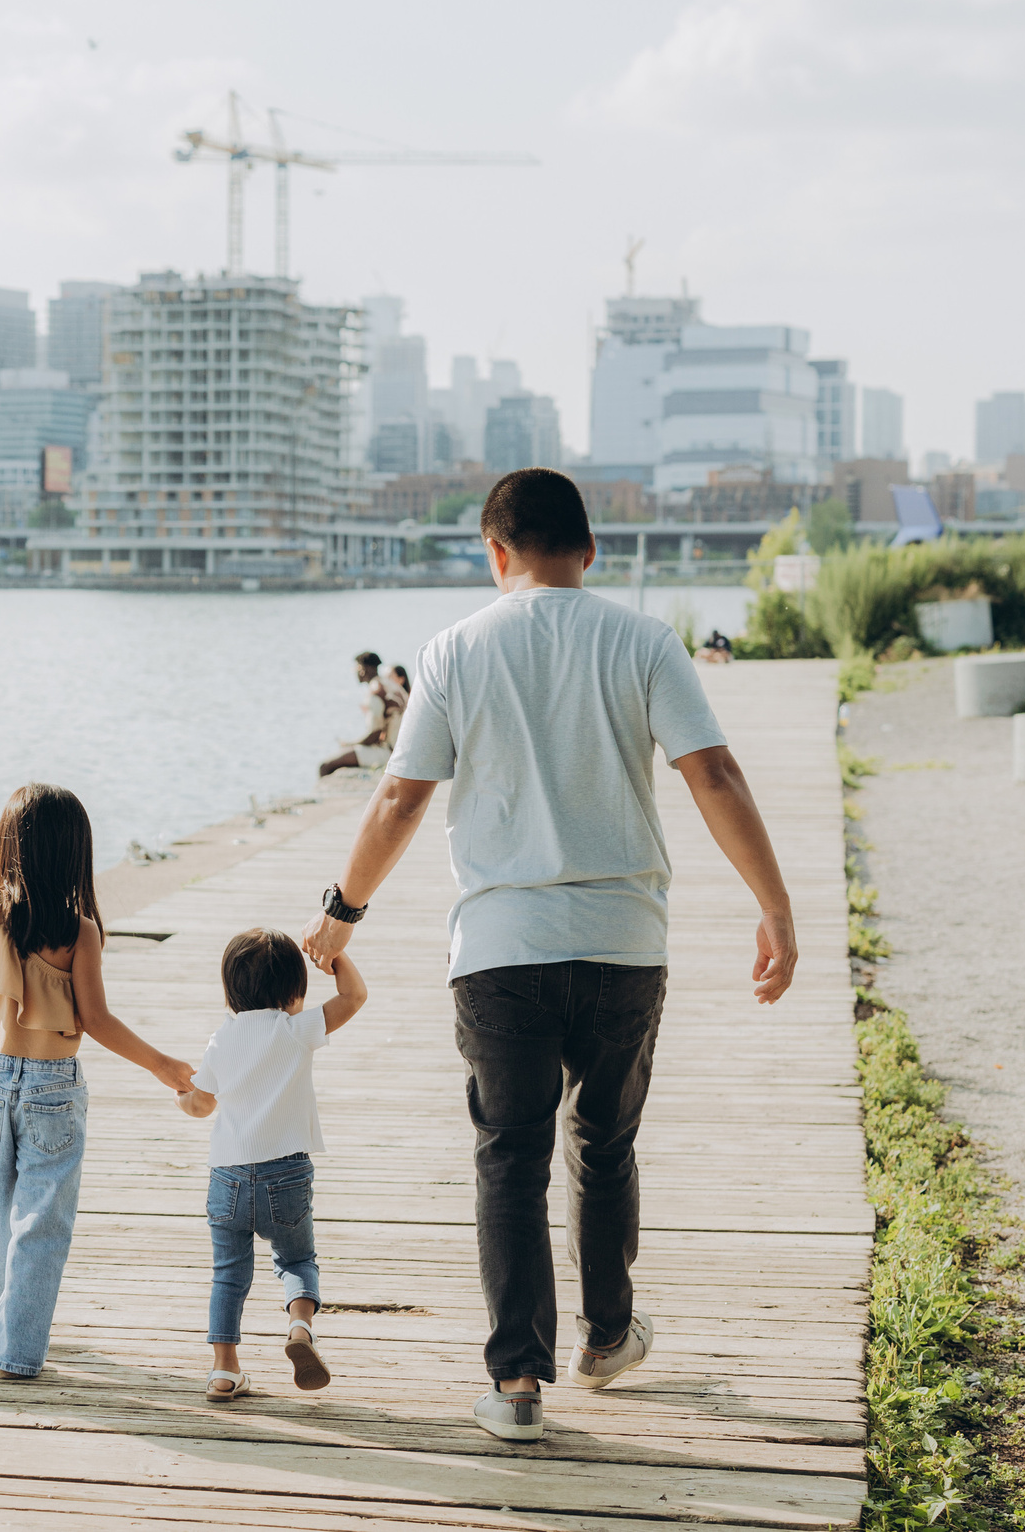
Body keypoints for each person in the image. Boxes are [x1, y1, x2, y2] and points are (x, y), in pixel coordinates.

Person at [300, 468, 797, 1443]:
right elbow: (713, 772)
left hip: (501, 950)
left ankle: (518, 1384)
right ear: (590, 550)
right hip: (623, 944)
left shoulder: (453, 649)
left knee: (510, 1157)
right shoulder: (645, 641)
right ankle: (606, 1338)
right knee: (604, 1144)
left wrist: (341, 914)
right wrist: (773, 906)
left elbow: (399, 798)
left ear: (495, 553)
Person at [0, 785, 197, 1380]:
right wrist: (162, 1066)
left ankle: (1, 1318)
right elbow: (97, 1020)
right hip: (52, 1088)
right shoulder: (79, 932)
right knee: (42, 1222)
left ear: (9, 849)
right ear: (76, 854)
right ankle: (18, 1349)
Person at [176, 929, 368, 1401]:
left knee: (228, 1273)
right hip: (287, 1173)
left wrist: (183, 1098)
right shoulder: (296, 1030)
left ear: (229, 992)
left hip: (228, 1178)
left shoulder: (221, 1040)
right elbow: (354, 996)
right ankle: (300, 1326)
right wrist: (334, 955)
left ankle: (223, 1370)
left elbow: (201, 1105)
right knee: (297, 1259)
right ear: (294, 993)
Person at [317, 651, 398, 778]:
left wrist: (350, 744)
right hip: (400, 748)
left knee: (325, 766)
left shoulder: (375, 693)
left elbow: (375, 734)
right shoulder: (391, 685)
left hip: (388, 752)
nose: (355, 672)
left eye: (356, 668)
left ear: (363, 669)